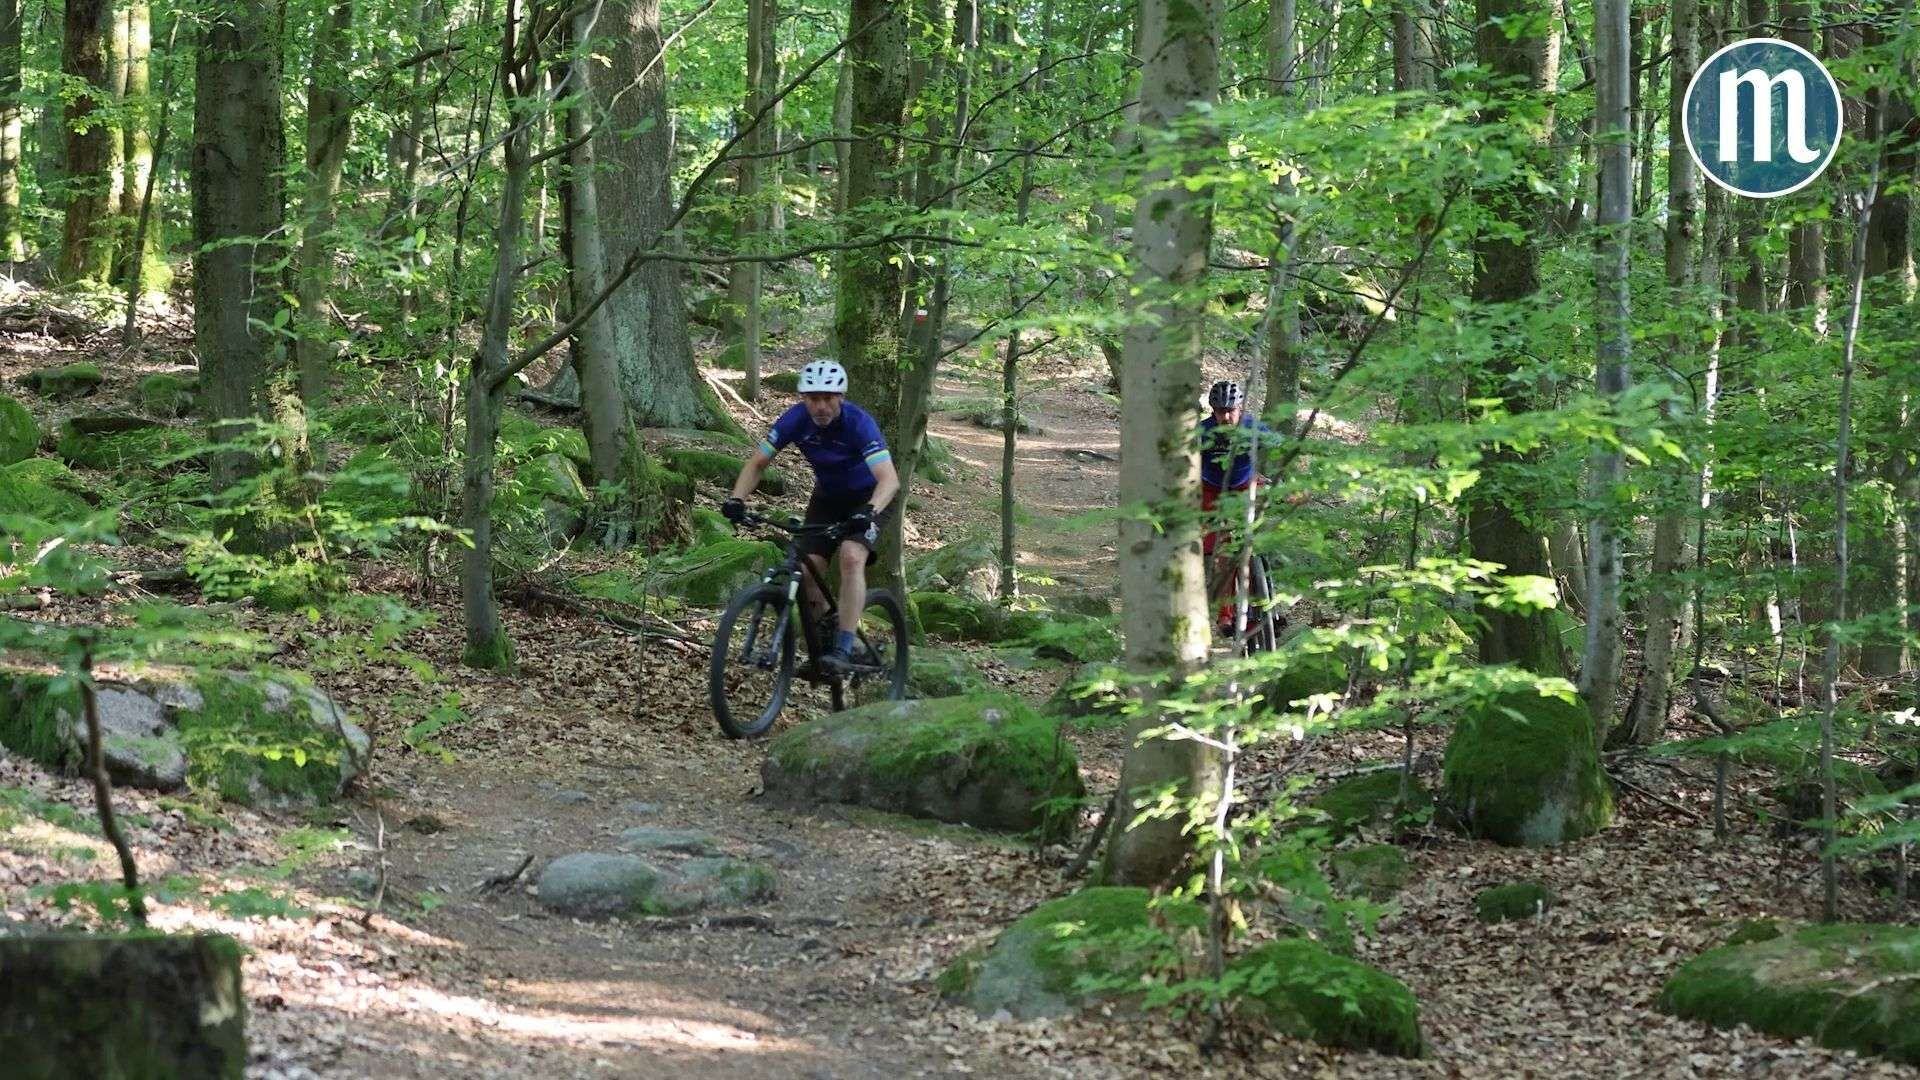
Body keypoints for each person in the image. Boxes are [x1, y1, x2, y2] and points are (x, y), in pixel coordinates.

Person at [722, 359, 900, 675]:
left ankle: (844, 647)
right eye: (813, 398)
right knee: (807, 570)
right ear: (803, 399)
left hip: (871, 498)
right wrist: (737, 499)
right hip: (828, 498)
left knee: (851, 555)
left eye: (828, 398)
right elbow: (757, 464)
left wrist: (869, 512)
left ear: (841, 397)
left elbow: (889, 479)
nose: (821, 406)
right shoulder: (794, 420)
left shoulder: (858, 423)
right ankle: (822, 640)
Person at [1199, 380, 1283, 635]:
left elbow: (1281, 449)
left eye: (1230, 410)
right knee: (1223, 551)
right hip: (1212, 489)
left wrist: (1283, 482)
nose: (1225, 416)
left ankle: (1272, 607)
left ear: (1240, 407)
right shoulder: (1203, 431)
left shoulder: (1252, 427)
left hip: (1244, 485)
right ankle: (1225, 616)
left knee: (1257, 539)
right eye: (1219, 411)